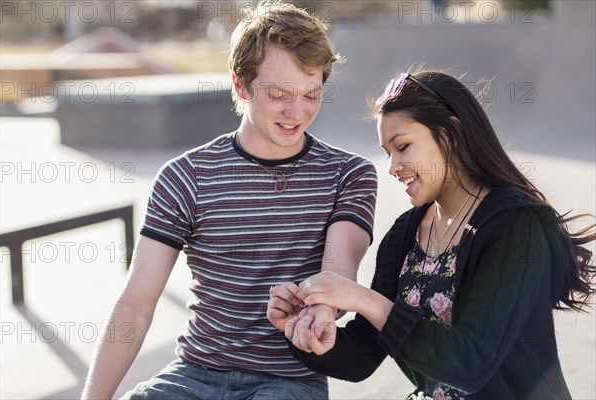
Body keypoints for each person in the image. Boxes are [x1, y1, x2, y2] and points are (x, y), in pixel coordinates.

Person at [81, 2, 377, 399]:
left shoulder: (348, 175)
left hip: (291, 382)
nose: (297, 112)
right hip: (194, 374)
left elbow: (338, 274)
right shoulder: (184, 177)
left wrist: (321, 310)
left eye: (311, 94)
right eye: (279, 94)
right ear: (240, 85)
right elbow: (136, 303)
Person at [270, 70, 596, 399]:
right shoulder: (404, 235)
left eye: (403, 147)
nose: (393, 166)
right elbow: (363, 357)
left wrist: (362, 298)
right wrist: (306, 332)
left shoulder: (515, 225)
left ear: (451, 133)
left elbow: (470, 363)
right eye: (388, 153)